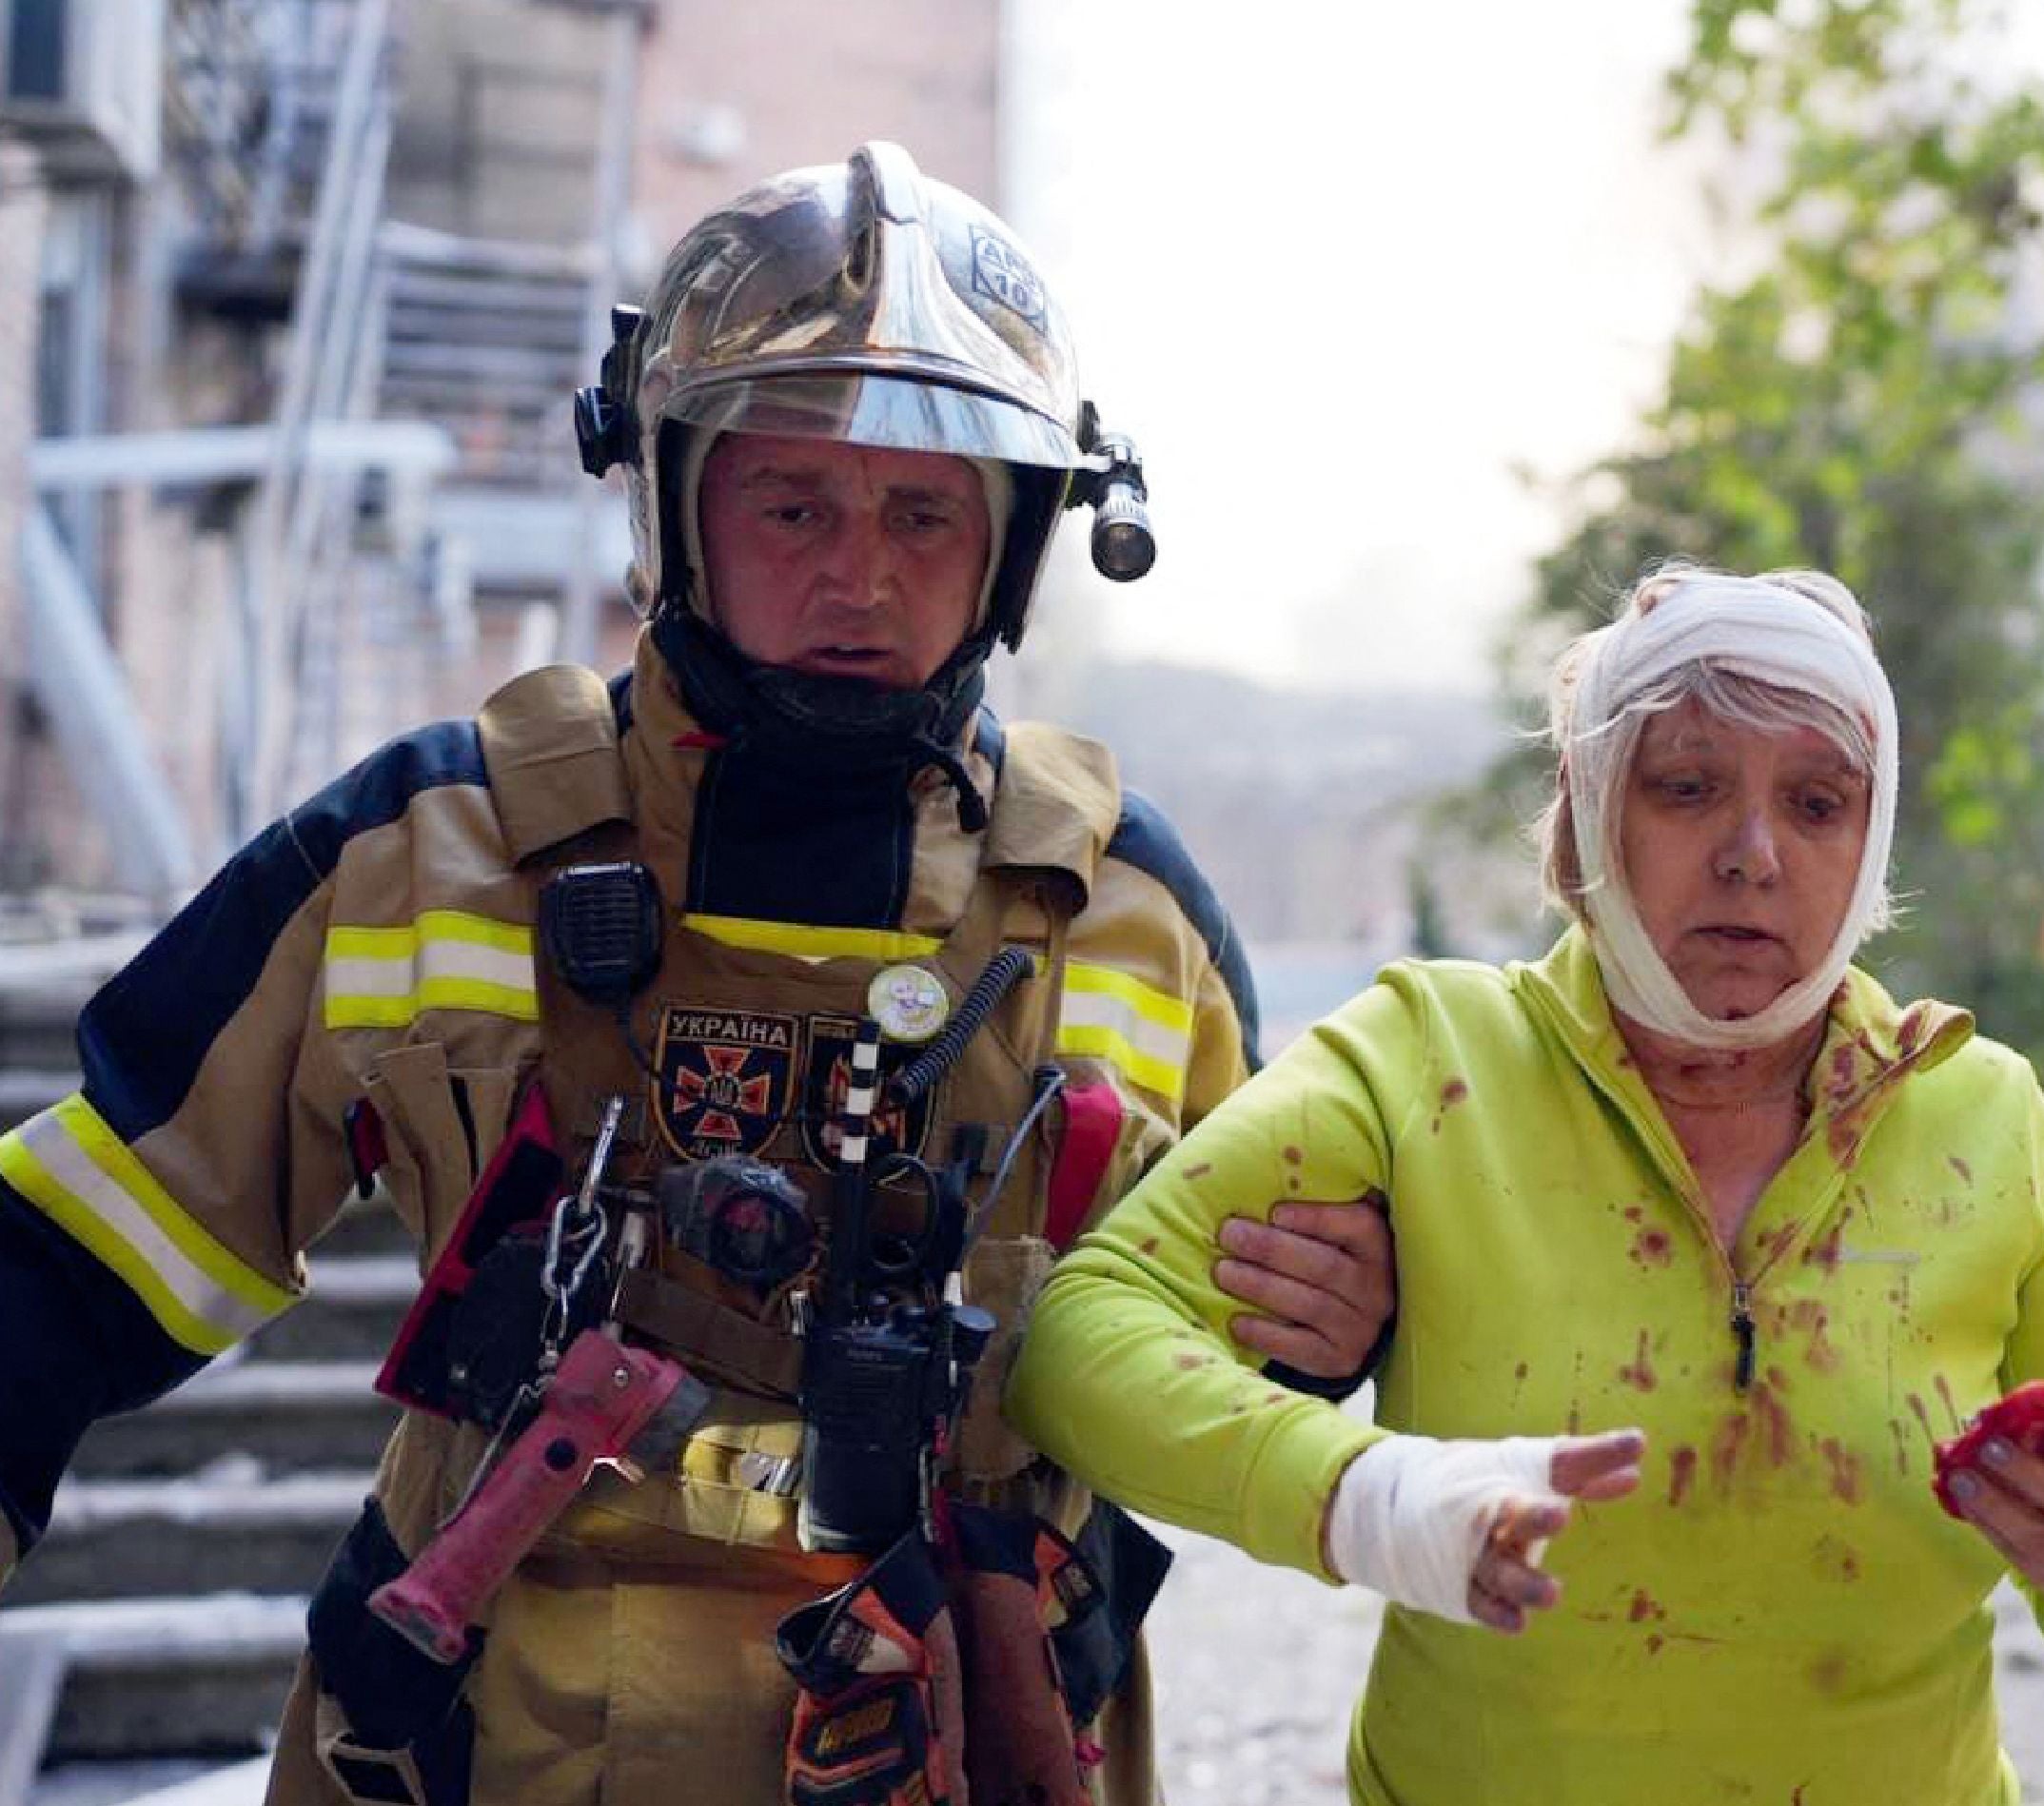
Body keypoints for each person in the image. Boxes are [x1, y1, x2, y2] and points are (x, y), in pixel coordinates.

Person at [0, 143, 1391, 1806]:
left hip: (965, 1738)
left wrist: (1327, 1336)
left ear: (1020, 541)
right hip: (480, 1737)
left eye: (925, 513)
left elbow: (1251, 1362)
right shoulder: (428, 852)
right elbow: (70, 1270)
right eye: (794, 502)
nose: (859, 575)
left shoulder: (1128, 915)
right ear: (673, 500)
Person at [1007, 564, 2044, 1804]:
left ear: (1873, 843)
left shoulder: (1984, 1113)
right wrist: (1368, 1494)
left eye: (1818, 802)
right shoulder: (1424, 1062)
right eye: (1688, 786)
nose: (1753, 855)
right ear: (1589, 811)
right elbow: (1078, 1338)